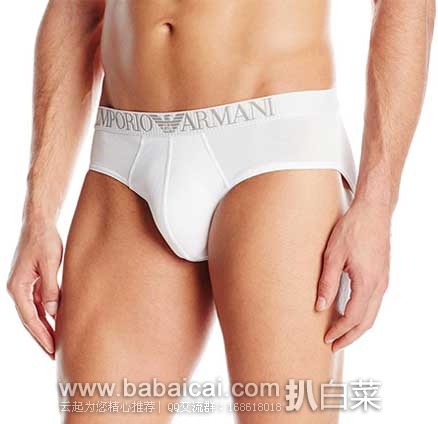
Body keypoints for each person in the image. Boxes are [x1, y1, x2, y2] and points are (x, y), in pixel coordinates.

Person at [6, 1, 435, 423]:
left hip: (273, 145)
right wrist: (38, 214)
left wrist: (376, 205)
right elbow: (77, 10)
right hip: (125, 155)